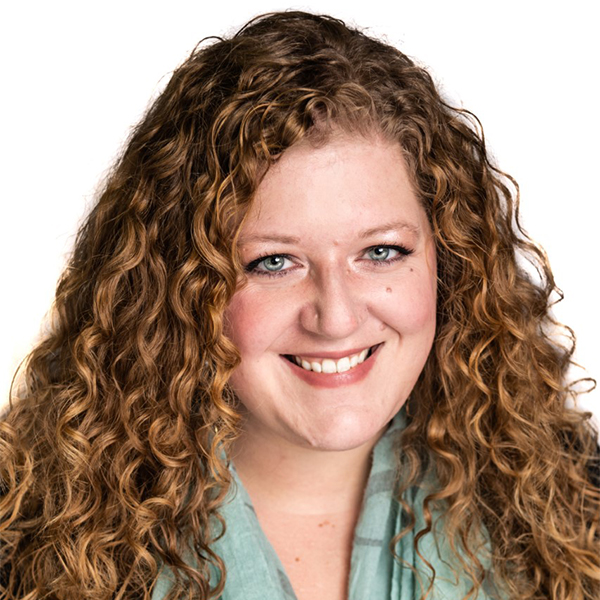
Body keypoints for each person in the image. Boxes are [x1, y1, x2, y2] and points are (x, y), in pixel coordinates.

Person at [1, 10, 598, 600]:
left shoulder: (575, 501)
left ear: (451, 264)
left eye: (382, 251)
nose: (335, 317)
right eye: (273, 263)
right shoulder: (21, 535)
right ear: (175, 286)